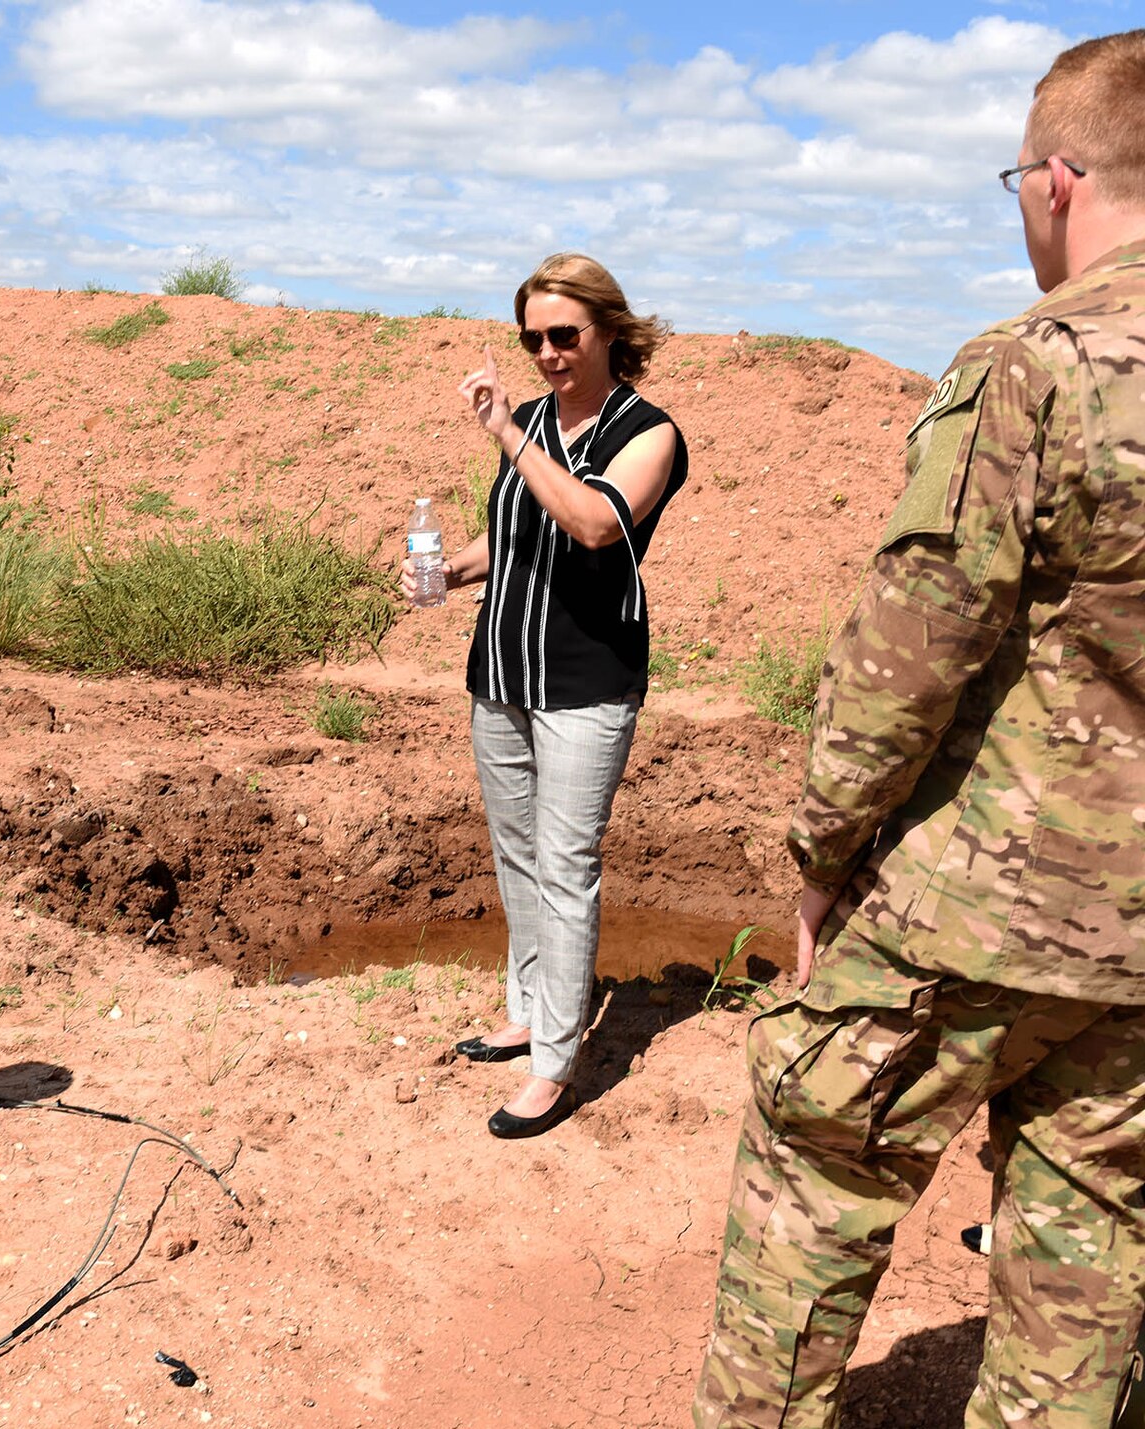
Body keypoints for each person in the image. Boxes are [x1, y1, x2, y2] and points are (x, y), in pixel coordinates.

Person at [693, 28, 1145, 1429]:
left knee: (813, 1178)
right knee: (1090, 1249)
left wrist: (822, 851)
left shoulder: (1039, 365)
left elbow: (911, 648)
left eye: (1018, 178)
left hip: (971, 908)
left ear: (1058, 179)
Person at [405, 252, 687, 1139]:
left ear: (609, 329)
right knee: (517, 853)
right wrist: (450, 570)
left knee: (566, 866)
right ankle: (528, 1007)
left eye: (564, 335)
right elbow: (518, 535)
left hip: (586, 680)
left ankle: (555, 1062)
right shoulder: (529, 420)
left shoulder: (650, 432)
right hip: (503, 668)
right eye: (533, 338)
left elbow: (594, 522)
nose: (548, 353)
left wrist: (506, 434)